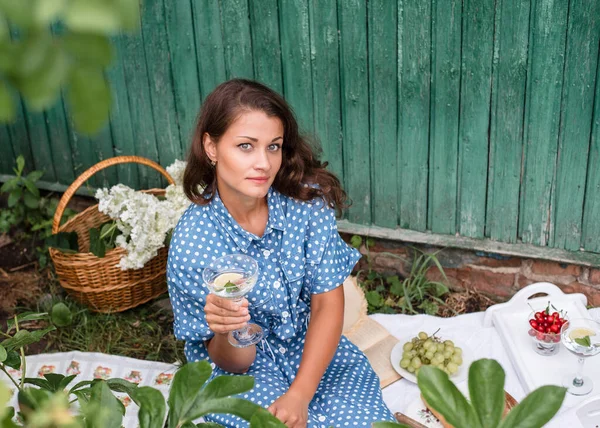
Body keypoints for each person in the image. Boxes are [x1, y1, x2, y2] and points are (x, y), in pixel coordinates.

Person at [167, 79, 395, 427]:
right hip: (239, 373)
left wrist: (301, 393)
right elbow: (236, 362)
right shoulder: (194, 242)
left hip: (314, 349)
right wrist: (230, 327)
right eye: (246, 146)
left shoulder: (305, 204)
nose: (264, 163)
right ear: (211, 147)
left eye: (273, 147)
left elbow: (327, 305)